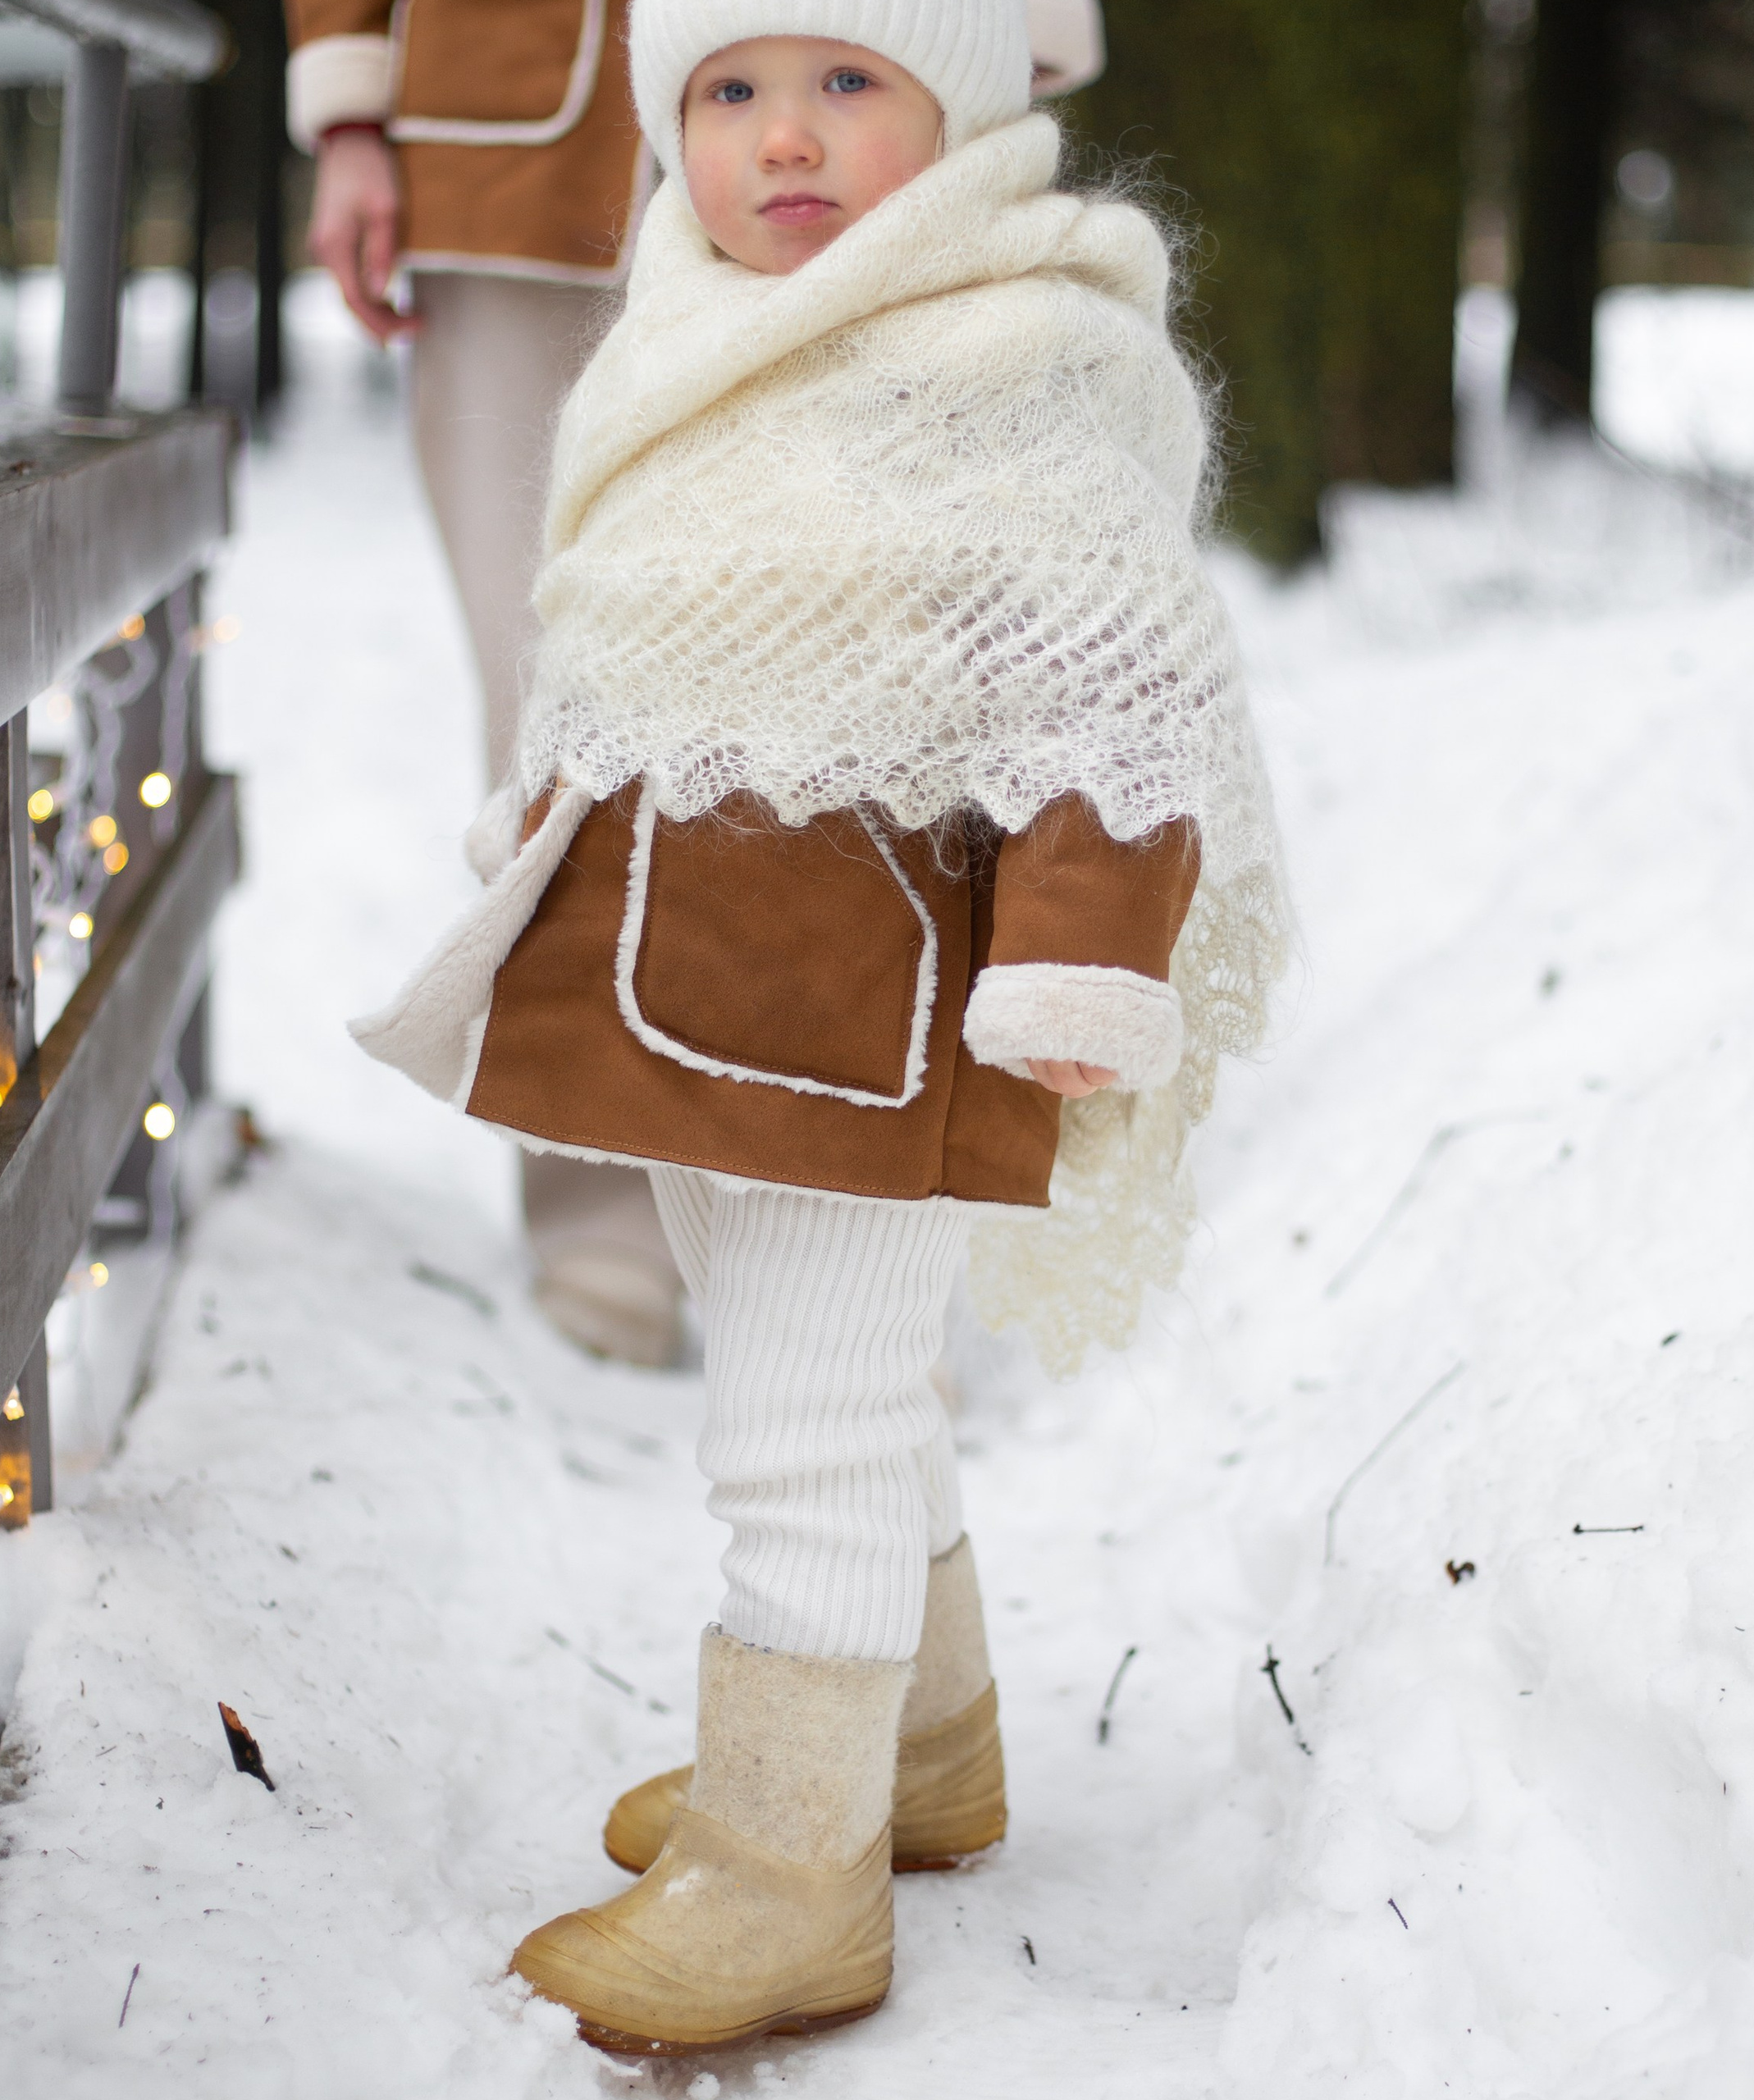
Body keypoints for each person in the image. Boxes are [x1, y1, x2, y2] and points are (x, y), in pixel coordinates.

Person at [351, 0, 1285, 2056]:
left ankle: (789, 1868)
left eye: (844, 80)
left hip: (880, 1013)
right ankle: (916, 1753)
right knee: (833, 1377)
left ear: (951, 99)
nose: (783, 138)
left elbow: (1113, 689)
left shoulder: (1002, 355)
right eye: (726, 92)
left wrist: (1076, 953)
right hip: (695, 998)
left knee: (804, 1423)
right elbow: (615, 610)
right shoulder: (680, 332)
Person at [287, 0, 1107, 1367]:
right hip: (514, 135)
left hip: (866, 80)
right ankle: (601, 1205)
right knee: (554, 698)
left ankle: (851, 1209)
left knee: (885, 680)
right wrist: (352, 114)